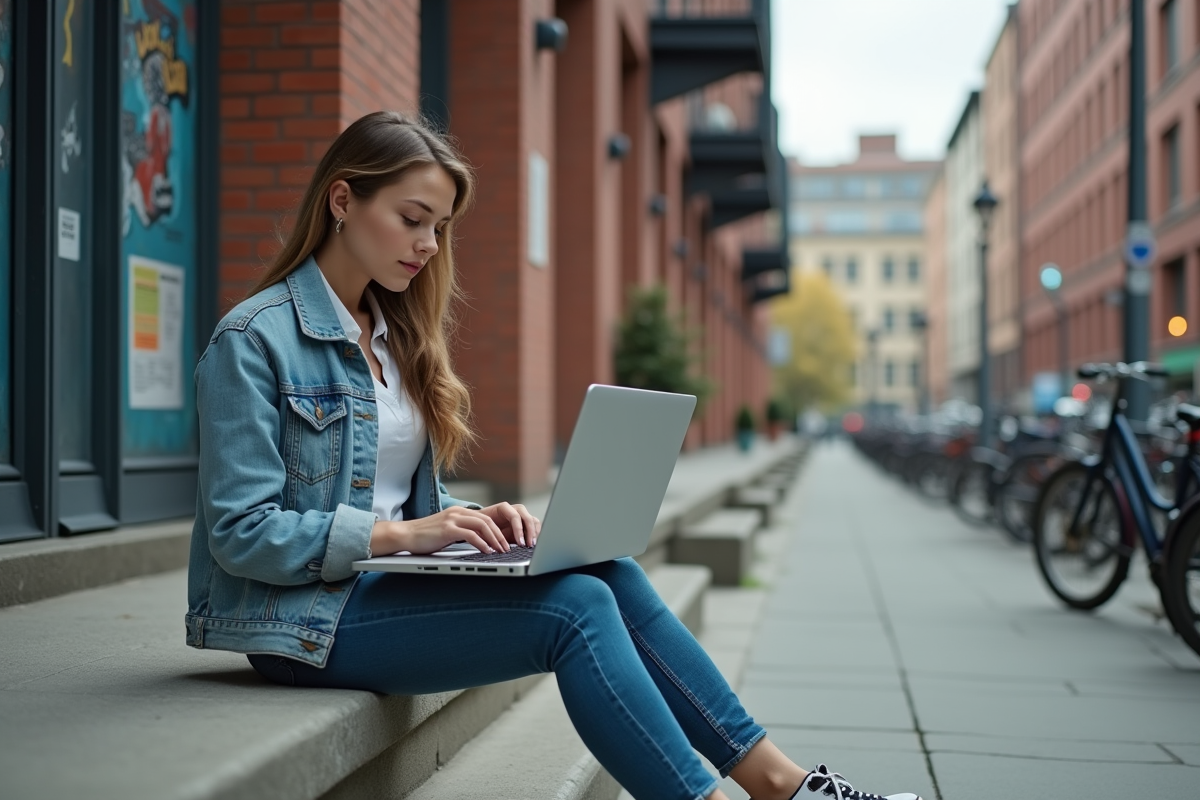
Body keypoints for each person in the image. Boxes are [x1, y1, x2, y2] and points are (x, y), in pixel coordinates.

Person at [186, 111, 922, 800]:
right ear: (342, 200)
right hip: (302, 623)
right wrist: (409, 536)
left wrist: (470, 526)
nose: (428, 246)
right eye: (412, 220)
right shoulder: (252, 342)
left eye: (439, 228)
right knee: (574, 610)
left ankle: (782, 785)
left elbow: (393, 501)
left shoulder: (395, 338)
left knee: (603, 570)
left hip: (376, 593)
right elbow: (242, 533)